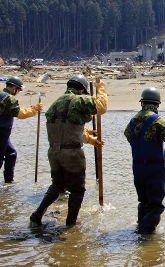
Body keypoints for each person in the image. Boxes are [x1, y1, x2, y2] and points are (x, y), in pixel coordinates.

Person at [30, 75, 107, 227]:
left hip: (54, 153)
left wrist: (90, 140)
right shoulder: (78, 100)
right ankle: (71, 224)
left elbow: (68, 129)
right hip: (72, 154)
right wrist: (101, 89)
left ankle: (37, 215)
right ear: (81, 90)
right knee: (77, 190)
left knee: (57, 186)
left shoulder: (55, 104)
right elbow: (101, 107)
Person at [124, 87, 165, 234]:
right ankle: (145, 237)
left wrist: (161, 154)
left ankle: (139, 229)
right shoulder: (159, 121)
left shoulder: (132, 122)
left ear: (141, 103)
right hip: (154, 169)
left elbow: (137, 143)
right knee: (155, 206)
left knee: (143, 202)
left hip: (137, 168)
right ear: (158, 105)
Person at [0, 76, 43, 183]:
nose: (18, 92)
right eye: (18, 90)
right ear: (14, 88)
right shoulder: (10, 98)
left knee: (11, 154)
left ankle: (8, 182)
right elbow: (20, 114)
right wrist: (34, 110)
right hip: (1, 133)